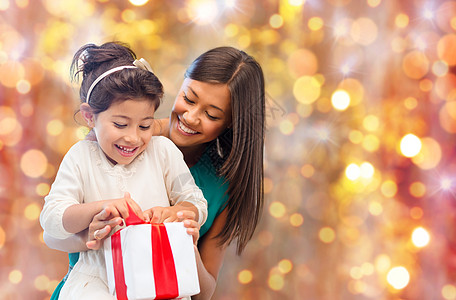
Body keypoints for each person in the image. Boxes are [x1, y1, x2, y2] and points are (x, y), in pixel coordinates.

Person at [44, 45, 266, 300]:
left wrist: (183, 234)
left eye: (212, 114)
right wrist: (94, 232)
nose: (191, 117)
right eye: (189, 98)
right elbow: (52, 229)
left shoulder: (205, 175)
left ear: (231, 123)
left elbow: (204, 292)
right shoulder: (107, 141)